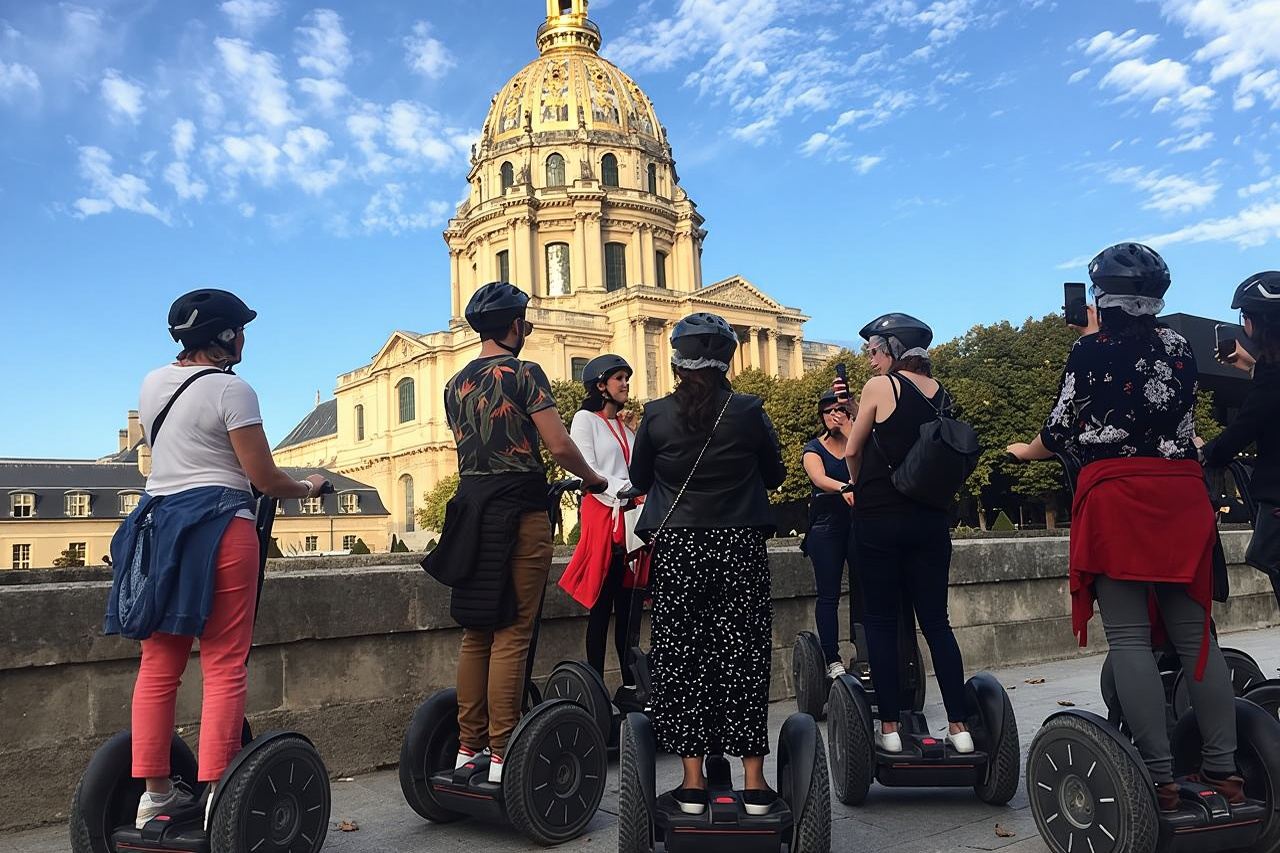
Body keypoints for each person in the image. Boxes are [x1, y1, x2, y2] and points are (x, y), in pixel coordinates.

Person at [1008, 243, 1242, 809]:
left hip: (1118, 496)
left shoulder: (1088, 350)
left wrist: (1022, 451)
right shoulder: (1180, 346)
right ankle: (1226, 771)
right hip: (1181, 494)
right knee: (1196, 638)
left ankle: (1159, 777)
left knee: (1131, 639)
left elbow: (1060, 429)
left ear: (1100, 296)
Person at [104, 289, 328, 829]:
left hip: (158, 526)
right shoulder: (234, 391)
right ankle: (216, 796)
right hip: (221, 524)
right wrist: (311, 485)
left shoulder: (152, 383)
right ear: (225, 337)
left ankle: (155, 796)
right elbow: (264, 479)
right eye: (240, 330)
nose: (245, 338)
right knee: (224, 663)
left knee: (158, 667)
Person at [424, 281, 607, 785]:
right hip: (519, 509)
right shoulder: (524, 372)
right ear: (514, 326)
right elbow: (559, 444)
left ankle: (467, 748)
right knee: (512, 629)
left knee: (476, 629)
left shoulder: (454, 382)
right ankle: (504, 752)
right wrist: (593, 479)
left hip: (469, 512)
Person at [629, 312, 787, 816]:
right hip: (738, 544)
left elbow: (640, 476)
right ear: (727, 360)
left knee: (681, 655)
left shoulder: (654, 414)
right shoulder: (749, 411)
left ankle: (693, 781)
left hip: (679, 547)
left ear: (676, 361)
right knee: (745, 653)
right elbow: (775, 474)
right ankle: (755, 781)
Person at [838, 312, 973, 755]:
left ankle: (891, 728)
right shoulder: (942, 395)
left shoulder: (882, 386)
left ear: (893, 350)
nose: (871, 360)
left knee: (880, 620)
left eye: (874, 351)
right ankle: (959, 725)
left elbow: (854, 448)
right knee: (936, 623)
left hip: (880, 516)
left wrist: (857, 482)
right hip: (930, 520)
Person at [1198, 272, 1280, 609]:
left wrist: (1207, 452)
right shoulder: (1269, 372)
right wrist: (1251, 366)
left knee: (1268, 555)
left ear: (1257, 322)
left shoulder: (1273, 377)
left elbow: (1246, 426)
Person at [558, 354, 640, 691]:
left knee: (629, 606)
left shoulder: (625, 427)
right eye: (619, 378)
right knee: (602, 606)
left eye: (626, 378)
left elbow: (639, 470)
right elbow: (586, 468)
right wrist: (625, 489)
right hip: (603, 515)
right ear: (601, 385)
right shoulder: (584, 420)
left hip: (630, 518)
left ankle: (632, 685)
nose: (625, 384)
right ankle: (595, 686)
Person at [801, 390, 859, 679]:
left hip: (858, 523)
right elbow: (819, 478)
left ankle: (866, 649)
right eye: (827, 411)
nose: (833, 415)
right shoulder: (814, 448)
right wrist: (844, 488)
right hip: (826, 525)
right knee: (829, 594)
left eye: (838, 409)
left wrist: (853, 426)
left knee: (867, 589)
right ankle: (832, 658)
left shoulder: (856, 442)